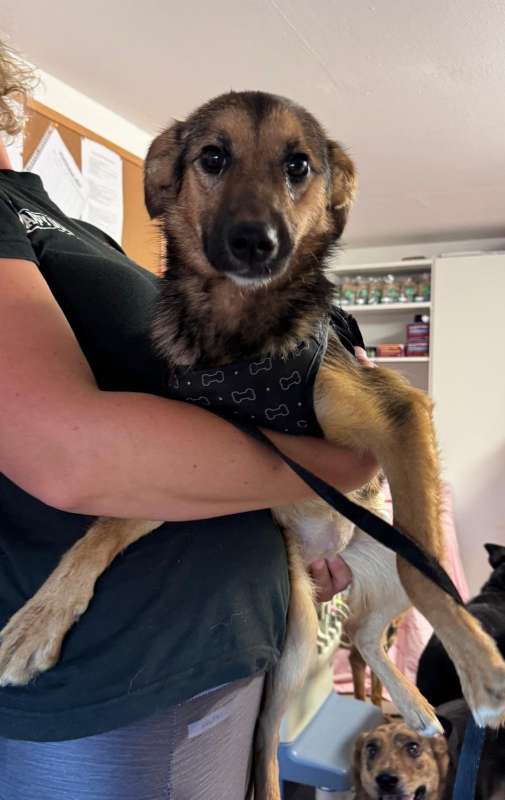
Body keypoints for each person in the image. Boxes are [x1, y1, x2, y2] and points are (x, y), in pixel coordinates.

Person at [0, 40, 377, 800]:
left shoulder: (61, 220)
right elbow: (73, 454)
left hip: (233, 637)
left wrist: (306, 524)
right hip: (118, 672)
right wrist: (343, 466)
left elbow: (197, 419)